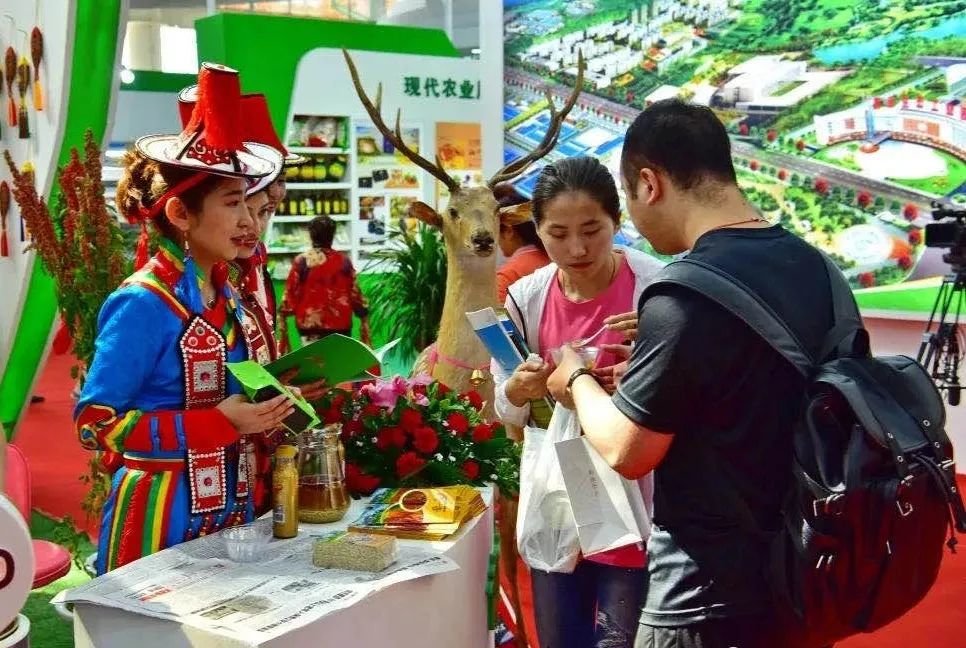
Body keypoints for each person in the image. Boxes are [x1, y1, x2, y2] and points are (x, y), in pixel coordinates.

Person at [546, 99, 835, 648]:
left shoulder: (683, 291)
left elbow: (628, 450)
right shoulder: (818, 268)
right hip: (805, 575)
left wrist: (576, 378)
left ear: (648, 183)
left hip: (704, 595)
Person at [75, 63, 292, 575]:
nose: (249, 221)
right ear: (179, 214)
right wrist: (218, 423)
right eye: (234, 203)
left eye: (252, 205)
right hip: (159, 520)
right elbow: (96, 425)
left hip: (233, 513)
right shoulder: (143, 303)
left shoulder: (229, 294)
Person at [492, 156, 663, 648]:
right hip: (557, 491)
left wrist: (651, 366)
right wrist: (519, 390)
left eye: (592, 230)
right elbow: (504, 400)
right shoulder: (526, 297)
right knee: (560, 635)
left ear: (617, 221)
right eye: (558, 233)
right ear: (537, 230)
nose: (577, 248)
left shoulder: (656, 287)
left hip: (637, 494)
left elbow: (693, 392)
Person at [280, 215, 371, 346]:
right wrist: (362, 313)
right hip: (340, 325)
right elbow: (354, 293)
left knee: (314, 357)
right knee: (337, 358)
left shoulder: (302, 261)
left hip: (310, 325)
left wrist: (283, 313)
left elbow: (291, 293)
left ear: (311, 235)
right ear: (332, 235)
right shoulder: (344, 261)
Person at [493, 182, 551, 303]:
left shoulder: (507, 277)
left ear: (508, 231)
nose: (496, 241)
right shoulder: (557, 260)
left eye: (495, 232)